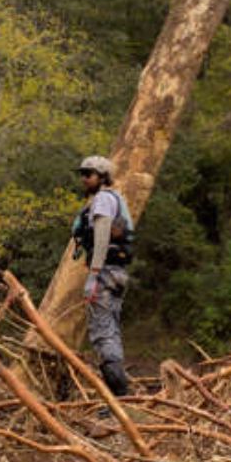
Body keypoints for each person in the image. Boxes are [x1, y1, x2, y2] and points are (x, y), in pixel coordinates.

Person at [71, 155, 135, 399]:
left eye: (89, 174)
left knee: (103, 335)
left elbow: (101, 237)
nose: (84, 179)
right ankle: (119, 398)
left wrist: (94, 274)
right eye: (82, 174)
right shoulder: (114, 199)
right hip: (117, 273)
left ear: (102, 177)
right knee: (111, 331)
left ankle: (119, 399)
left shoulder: (102, 200)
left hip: (105, 273)